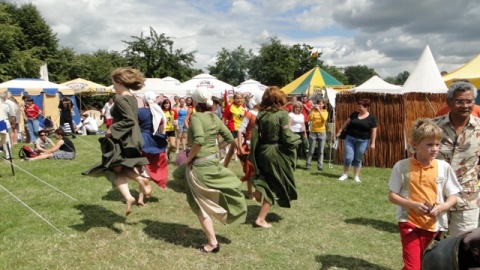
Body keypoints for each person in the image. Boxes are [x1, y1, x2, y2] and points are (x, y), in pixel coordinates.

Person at [172, 86, 247, 253]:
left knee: (199, 204)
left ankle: (212, 243)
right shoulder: (214, 117)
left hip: (199, 166)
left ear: (196, 101)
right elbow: (229, 137)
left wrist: (189, 158)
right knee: (179, 177)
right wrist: (215, 150)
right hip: (212, 163)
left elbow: (198, 140)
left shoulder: (197, 117)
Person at [388, 118, 461, 270]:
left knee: (422, 263)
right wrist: (412, 204)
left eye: (437, 144)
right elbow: (392, 195)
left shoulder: (443, 167)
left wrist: (444, 206)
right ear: (415, 144)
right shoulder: (402, 166)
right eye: (429, 144)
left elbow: (454, 195)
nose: (435, 148)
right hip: (409, 222)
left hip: (434, 225)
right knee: (413, 266)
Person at [82, 67, 152, 216]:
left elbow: (130, 120)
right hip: (132, 137)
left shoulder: (120, 98)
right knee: (118, 167)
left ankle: (137, 185)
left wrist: (112, 130)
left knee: (113, 167)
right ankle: (131, 194)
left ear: (119, 82)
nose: (112, 85)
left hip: (123, 139)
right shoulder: (132, 97)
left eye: (113, 82)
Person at [431, 81, 480, 236]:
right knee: (431, 244)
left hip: (467, 197)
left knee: (465, 245)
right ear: (449, 102)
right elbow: (417, 159)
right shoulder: (432, 127)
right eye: (459, 101)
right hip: (434, 196)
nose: (465, 106)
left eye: (469, 101)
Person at [248, 86, 301, 228]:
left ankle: (258, 192)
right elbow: (287, 136)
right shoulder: (283, 114)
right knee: (276, 185)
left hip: (262, 150)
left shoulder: (261, 114)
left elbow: (254, 137)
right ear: (279, 98)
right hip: (275, 152)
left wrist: (254, 153)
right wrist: (298, 140)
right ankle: (260, 219)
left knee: (264, 176)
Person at [335, 99, 377, 183]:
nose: (358, 108)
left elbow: (374, 131)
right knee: (348, 157)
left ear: (366, 107)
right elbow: (346, 123)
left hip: (363, 141)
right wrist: (340, 131)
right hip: (350, 139)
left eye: (360, 107)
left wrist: (373, 143)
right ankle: (345, 174)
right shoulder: (354, 114)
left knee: (358, 158)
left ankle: (356, 176)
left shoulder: (371, 118)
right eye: (358, 106)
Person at [137, 91, 167, 205]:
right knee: (149, 167)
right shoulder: (158, 112)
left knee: (142, 168)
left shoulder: (140, 111)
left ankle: (142, 193)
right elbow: (162, 128)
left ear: (144, 100)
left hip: (142, 140)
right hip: (156, 140)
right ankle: (141, 196)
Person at [237, 93, 261, 200]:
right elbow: (240, 130)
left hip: (261, 145)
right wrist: (240, 146)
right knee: (250, 170)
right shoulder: (250, 114)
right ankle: (250, 192)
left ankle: (257, 192)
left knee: (259, 170)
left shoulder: (263, 114)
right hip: (250, 144)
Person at [222, 92, 245, 166]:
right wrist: (223, 129)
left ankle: (224, 168)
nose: (239, 100)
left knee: (231, 151)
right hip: (233, 130)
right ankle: (247, 171)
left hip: (241, 131)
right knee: (240, 149)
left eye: (240, 98)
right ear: (234, 99)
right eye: (237, 98)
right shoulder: (230, 107)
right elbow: (224, 119)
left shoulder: (243, 107)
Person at [305, 99, 328, 171]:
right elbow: (309, 119)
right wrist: (311, 110)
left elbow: (324, 119)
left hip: (322, 133)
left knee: (321, 151)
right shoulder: (313, 111)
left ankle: (320, 165)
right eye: (318, 104)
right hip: (313, 133)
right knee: (311, 150)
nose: (319, 105)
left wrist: (319, 111)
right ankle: (308, 165)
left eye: (321, 104)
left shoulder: (325, 112)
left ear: (323, 105)